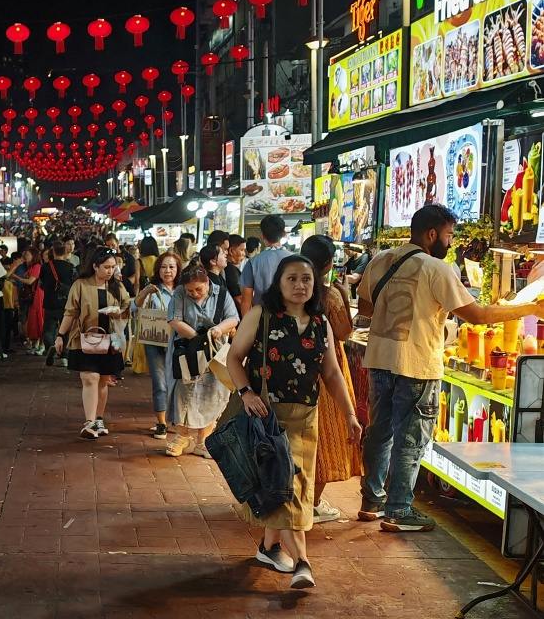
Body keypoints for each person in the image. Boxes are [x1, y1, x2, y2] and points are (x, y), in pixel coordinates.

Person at [357, 205, 544, 531]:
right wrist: (530, 308)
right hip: (416, 362)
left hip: (379, 359)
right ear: (432, 234)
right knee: (411, 438)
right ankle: (399, 510)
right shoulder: (436, 268)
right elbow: (477, 316)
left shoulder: (381, 259)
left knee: (380, 432)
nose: (450, 241)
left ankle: (372, 499)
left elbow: (365, 308)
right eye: (448, 234)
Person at [226, 256, 362, 589]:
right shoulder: (262, 315)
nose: (300, 286)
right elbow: (233, 357)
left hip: (306, 418)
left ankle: (269, 547)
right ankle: (303, 562)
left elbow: (330, 372)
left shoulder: (320, 322)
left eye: (306, 279)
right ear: (279, 283)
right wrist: (245, 392)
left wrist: (349, 414)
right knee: (284, 491)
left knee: (296, 490)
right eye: (292, 279)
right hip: (268, 418)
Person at [300, 235, 363, 524]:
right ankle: (311, 502)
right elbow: (344, 332)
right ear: (327, 264)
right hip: (327, 367)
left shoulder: (290, 288)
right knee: (327, 434)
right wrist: (345, 295)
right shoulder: (329, 294)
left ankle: (298, 498)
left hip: (296, 368)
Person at [53, 246, 131, 439]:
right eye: (106, 267)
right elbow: (70, 312)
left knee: (103, 380)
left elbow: (128, 308)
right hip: (85, 339)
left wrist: (118, 312)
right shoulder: (80, 285)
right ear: (95, 266)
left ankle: (98, 419)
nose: (110, 271)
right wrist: (60, 335)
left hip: (110, 340)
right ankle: (89, 422)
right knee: (90, 378)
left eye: (113, 267)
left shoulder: (117, 287)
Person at [165, 267, 239, 458]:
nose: (194, 294)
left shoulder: (221, 293)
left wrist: (218, 330)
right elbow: (174, 319)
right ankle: (181, 437)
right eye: (190, 291)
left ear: (207, 283)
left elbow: (233, 318)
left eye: (198, 289)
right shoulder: (180, 293)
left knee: (212, 392)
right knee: (183, 390)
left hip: (214, 351)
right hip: (187, 349)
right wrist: (198, 338)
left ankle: (203, 440)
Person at [133, 251, 181, 439]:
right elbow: (134, 308)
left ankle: (176, 420)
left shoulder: (183, 290)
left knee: (177, 382)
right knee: (160, 382)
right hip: (154, 341)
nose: (167, 271)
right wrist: (146, 292)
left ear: (178, 269)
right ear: (157, 269)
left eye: (171, 267)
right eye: (163, 267)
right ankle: (161, 423)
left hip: (177, 342)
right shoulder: (152, 289)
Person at [239, 215, 290, 314]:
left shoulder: (253, 262)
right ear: (284, 234)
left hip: (261, 319)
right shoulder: (296, 260)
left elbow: (246, 301)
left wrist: (247, 326)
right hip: (291, 317)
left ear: (262, 235)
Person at [40, 240, 76, 366]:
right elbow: (74, 285)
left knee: (48, 329)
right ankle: (64, 355)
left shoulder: (45, 267)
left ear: (53, 252)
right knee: (64, 330)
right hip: (66, 304)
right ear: (65, 251)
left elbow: (41, 285)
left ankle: (52, 347)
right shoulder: (70, 267)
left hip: (50, 302)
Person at [12, 248, 43, 354]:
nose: (25, 256)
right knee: (30, 319)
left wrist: (16, 277)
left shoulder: (36, 266)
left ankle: (39, 344)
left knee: (36, 319)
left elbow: (30, 281)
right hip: (31, 296)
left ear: (33, 256)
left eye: (28, 254)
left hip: (36, 295)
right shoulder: (30, 267)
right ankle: (34, 343)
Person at [226, 235, 246, 313]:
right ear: (231, 251)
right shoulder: (230, 270)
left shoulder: (230, 268)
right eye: (242, 250)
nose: (244, 254)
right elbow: (239, 299)